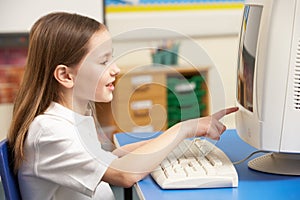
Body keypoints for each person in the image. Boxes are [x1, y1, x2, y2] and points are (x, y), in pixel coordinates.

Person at [7, 12, 238, 200]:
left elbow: (109, 159)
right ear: (66, 76)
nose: (115, 69)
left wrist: (173, 141)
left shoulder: (70, 117)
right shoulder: (49, 132)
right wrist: (182, 130)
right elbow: (124, 174)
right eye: (103, 61)